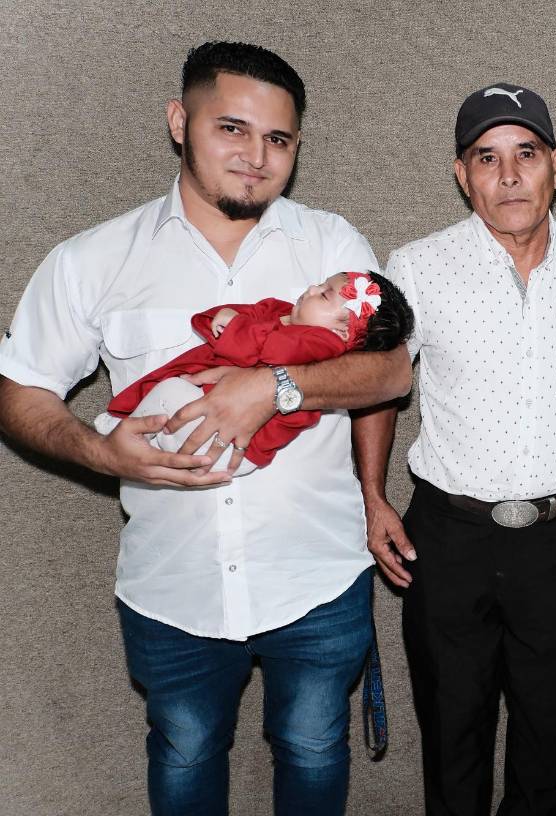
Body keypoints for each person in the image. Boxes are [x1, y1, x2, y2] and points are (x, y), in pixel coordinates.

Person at [0, 42, 411, 815]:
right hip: (173, 584)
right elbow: (20, 389)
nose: (256, 158)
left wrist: (273, 386)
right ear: (178, 123)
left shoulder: (330, 247)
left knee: (317, 745)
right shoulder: (92, 259)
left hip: (317, 577)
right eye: (232, 128)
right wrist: (96, 450)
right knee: (185, 751)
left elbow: (389, 375)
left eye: (279, 140)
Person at [353, 82, 556, 815]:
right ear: (462, 174)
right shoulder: (414, 266)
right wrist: (374, 496)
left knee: (547, 745)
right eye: (487, 158)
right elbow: (382, 384)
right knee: (454, 739)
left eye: (526, 154)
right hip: (449, 539)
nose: (509, 176)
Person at [101, 270, 412, 474]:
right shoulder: (286, 315)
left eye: (325, 294)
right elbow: (255, 315)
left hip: (234, 447)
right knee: (174, 392)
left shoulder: (321, 343)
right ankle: (144, 439)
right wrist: (226, 317)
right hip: (214, 433)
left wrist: (236, 327)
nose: (312, 288)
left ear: (343, 333)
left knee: (169, 392)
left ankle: (124, 428)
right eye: (321, 283)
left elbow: (270, 348)